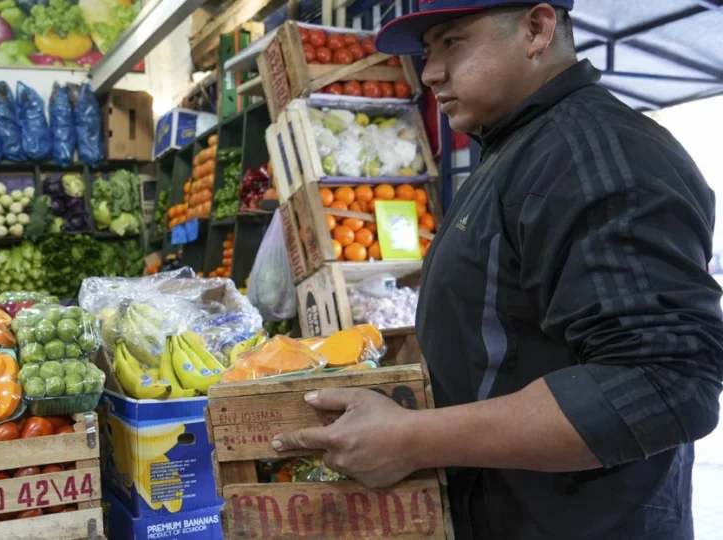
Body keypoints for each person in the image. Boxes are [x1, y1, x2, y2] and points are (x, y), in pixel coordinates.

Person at [272, 1, 723, 538]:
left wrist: (413, 438)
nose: (430, 72)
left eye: (452, 42)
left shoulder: (596, 158)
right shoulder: (519, 150)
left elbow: (663, 383)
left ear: (537, 29)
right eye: (428, 51)